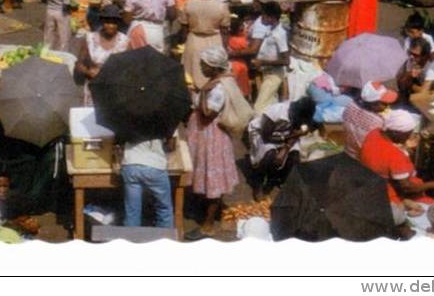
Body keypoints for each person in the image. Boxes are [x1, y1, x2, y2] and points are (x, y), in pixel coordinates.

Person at [185, 47, 243, 240]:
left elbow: (209, 113)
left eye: (204, 65)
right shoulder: (217, 82)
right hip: (204, 135)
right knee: (206, 175)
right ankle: (205, 212)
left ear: (212, 66)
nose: (201, 68)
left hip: (212, 137)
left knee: (213, 181)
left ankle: (208, 226)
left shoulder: (219, 87)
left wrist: (200, 94)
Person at [359, 110, 434, 206]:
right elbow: (407, 188)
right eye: (407, 134)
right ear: (395, 132)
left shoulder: (374, 133)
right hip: (391, 196)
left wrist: (404, 148)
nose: (410, 137)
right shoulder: (395, 156)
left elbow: (382, 154)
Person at [247, 96, 317, 199]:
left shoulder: (302, 113)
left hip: (285, 134)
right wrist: (287, 138)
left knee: (295, 157)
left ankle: (277, 179)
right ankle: (258, 182)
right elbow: (266, 136)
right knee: (269, 154)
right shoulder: (276, 111)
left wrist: (285, 149)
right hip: (264, 134)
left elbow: (297, 131)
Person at [74, 4, 130, 105]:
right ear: (102, 21)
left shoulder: (125, 41)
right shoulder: (90, 39)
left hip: (115, 90)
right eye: (107, 22)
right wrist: (89, 72)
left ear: (118, 23)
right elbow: (79, 64)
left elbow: (130, 68)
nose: (111, 26)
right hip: (94, 90)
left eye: (114, 22)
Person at [121, 130, 175, 229]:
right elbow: (171, 147)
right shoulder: (162, 121)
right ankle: (164, 240)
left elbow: (119, 142)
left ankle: (131, 240)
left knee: (132, 210)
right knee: (164, 208)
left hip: (131, 165)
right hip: (155, 166)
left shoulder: (127, 120)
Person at [342, 81, 398, 161]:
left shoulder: (350, 106)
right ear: (373, 104)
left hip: (348, 150)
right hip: (364, 158)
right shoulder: (377, 121)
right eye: (384, 104)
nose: (387, 106)